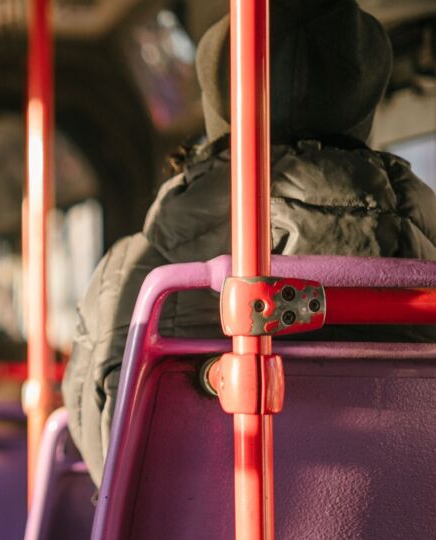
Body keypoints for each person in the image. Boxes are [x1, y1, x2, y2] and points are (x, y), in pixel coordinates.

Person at [62, 0, 436, 488]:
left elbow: (108, 454)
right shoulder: (424, 249)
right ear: (362, 105)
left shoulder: (137, 273)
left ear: (220, 107)